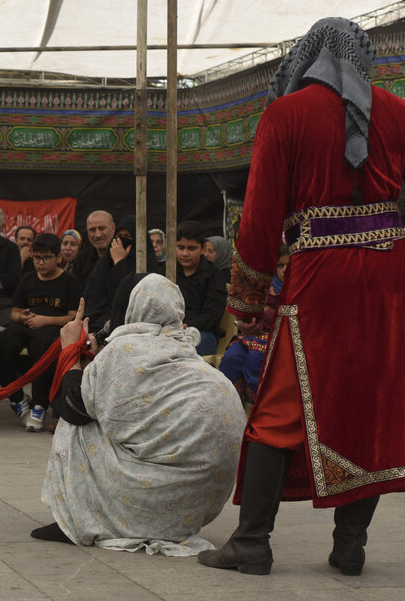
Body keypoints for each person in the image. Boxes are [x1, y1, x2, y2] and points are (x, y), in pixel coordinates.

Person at [198, 18, 405, 577]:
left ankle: (252, 543)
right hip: (389, 277)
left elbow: (258, 215)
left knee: (280, 404)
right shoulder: (401, 114)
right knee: (368, 406)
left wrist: (248, 301)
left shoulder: (285, 114)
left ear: (308, 56)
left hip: (319, 277)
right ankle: (349, 546)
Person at [34, 277, 246, 552]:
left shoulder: (126, 350)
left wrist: (71, 351)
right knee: (93, 404)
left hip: (154, 501)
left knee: (76, 422)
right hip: (193, 509)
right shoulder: (184, 347)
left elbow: (72, 406)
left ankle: (79, 519)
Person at [0, 233, 81, 431]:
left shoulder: (69, 282)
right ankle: (17, 399)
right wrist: (22, 317)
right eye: (37, 257)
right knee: (3, 343)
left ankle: (39, 404)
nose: (40, 263)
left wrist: (46, 320)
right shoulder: (27, 279)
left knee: (43, 347)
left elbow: (73, 316)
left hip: (52, 327)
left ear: (58, 257)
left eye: (46, 258)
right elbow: (14, 313)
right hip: (27, 324)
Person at [219, 245, 289, 406]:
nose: (285, 270)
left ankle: (260, 407)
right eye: (280, 265)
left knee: (256, 359)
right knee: (232, 357)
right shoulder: (265, 286)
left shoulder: (299, 288)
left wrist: (266, 312)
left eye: (288, 265)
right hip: (255, 335)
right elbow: (248, 312)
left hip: (282, 338)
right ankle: (231, 406)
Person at [174, 220, 227, 356]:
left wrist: (185, 326)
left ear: (203, 249)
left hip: (202, 333)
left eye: (191, 248)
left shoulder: (214, 275)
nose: (185, 253)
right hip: (170, 332)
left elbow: (212, 315)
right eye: (180, 248)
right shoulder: (168, 271)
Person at [70, 210, 114, 285]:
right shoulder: (81, 260)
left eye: (102, 228)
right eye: (92, 230)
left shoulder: (125, 257)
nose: (97, 235)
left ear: (113, 228)